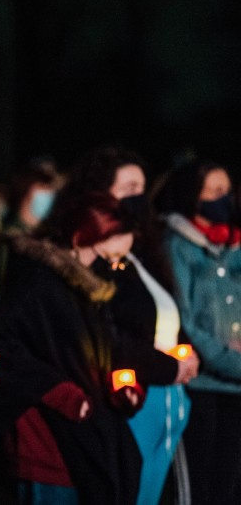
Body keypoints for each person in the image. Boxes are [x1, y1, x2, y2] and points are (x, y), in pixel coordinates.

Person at [0, 192, 144, 505]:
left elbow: (92, 355)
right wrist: (58, 392)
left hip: (85, 436)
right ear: (86, 238)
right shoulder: (39, 285)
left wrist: (118, 385)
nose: (112, 268)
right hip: (46, 448)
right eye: (108, 257)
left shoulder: (91, 290)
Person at [56, 147, 198, 505]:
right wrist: (170, 366)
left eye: (142, 188)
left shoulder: (137, 256)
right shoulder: (96, 262)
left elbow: (165, 314)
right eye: (129, 187)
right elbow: (111, 335)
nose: (139, 197)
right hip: (136, 397)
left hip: (168, 396)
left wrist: (187, 352)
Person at [155, 159, 241, 504]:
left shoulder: (234, 246)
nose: (224, 199)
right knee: (198, 484)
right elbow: (185, 320)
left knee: (228, 484)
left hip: (235, 385)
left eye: (227, 191)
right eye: (214, 191)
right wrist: (231, 360)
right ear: (194, 196)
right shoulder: (177, 245)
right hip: (201, 384)